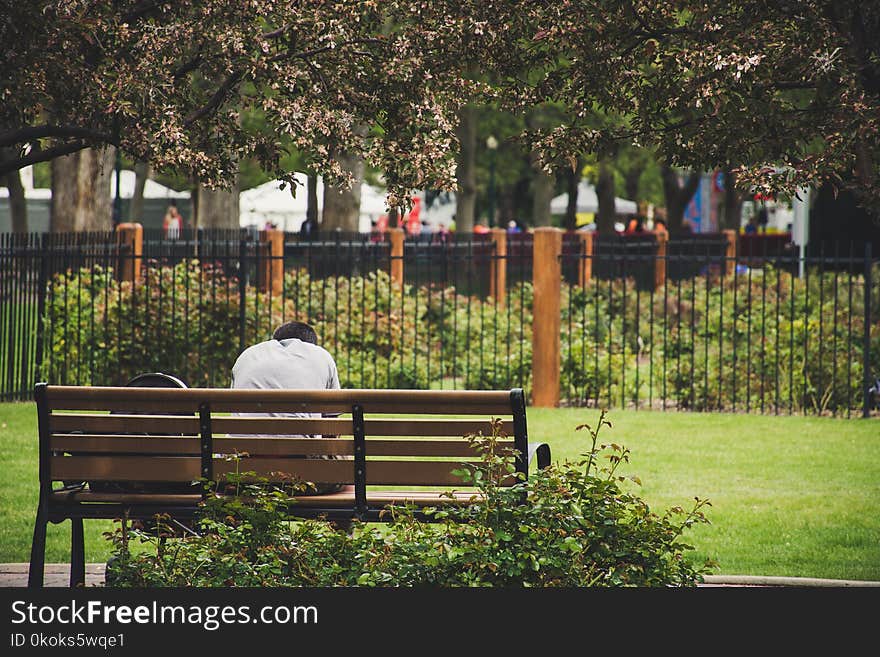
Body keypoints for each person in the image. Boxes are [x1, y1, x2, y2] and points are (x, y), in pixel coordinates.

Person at [231, 321, 347, 496]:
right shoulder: (320, 356)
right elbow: (330, 431)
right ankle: (342, 521)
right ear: (311, 344)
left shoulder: (247, 356)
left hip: (241, 474)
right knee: (347, 468)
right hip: (300, 478)